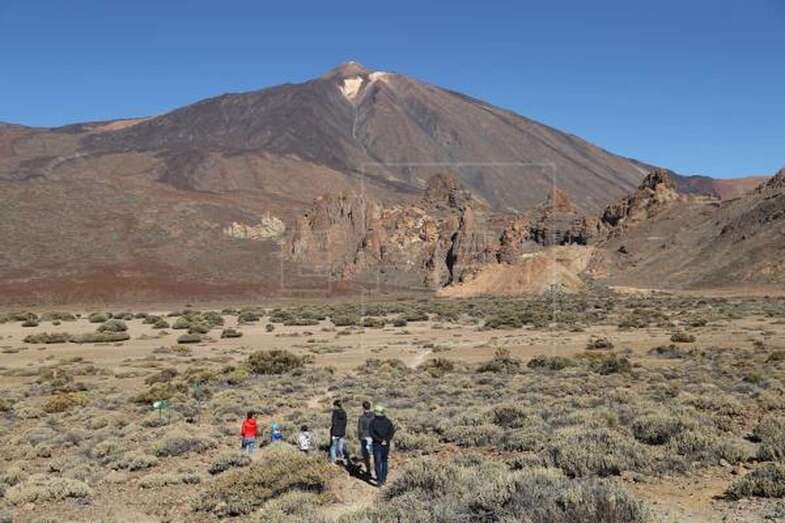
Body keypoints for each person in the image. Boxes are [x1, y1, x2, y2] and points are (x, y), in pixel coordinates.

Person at [369, 405, 395, 486]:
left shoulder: (372, 422)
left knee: (377, 462)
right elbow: (391, 432)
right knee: (384, 461)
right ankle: (384, 479)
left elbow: (372, 434)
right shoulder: (388, 421)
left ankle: (379, 480)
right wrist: (386, 440)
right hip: (386, 444)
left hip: (377, 444)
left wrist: (380, 440)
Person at [357, 401, 374, 478]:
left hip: (364, 438)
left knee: (366, 455)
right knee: (372, 454)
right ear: (370, 407)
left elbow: (360, 430)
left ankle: (368, 471)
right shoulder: (374, 416)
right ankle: (374, 470)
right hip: (373, 437)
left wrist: (359, 437)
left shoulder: (361, 418)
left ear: (363, 407)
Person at [330, 399, 347, 464]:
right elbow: (345, 423)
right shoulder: (344, 412)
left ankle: (334, 461)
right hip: (342, 432)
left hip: (335, 432)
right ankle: (342, 459)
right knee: (340, 447)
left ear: (336, 405)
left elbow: (334, 423)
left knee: (333, 447)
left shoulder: (335, 413)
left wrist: (333, 432)